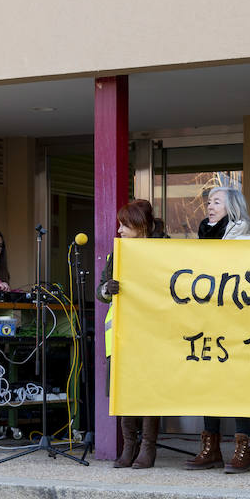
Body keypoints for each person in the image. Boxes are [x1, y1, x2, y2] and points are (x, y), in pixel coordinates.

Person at [187, 185, 250, 473]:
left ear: (233, 207)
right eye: (208, 202)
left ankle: (243, 450)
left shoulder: (248, 242)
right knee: (210, 382)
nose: (209, 206)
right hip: (209, 322)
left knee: (240, 385)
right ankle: (211, 447)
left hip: (240, 323)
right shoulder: (204, 240)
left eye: (217, 202)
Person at [98, 199, 166, 469]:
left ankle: (148, 447)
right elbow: (101, 290)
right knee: (124, 387)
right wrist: (107, 289)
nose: (120, 230)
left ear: (141, 226)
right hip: (123, 330)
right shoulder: (118, 253)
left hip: (153, 330)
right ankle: (129, 446)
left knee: (150, 387)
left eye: (125, 224)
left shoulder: (164, 251)